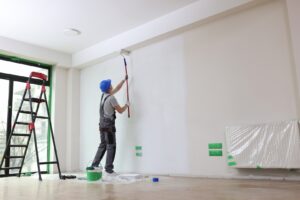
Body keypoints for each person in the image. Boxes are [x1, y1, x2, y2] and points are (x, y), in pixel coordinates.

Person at [91, 76, 129, 175]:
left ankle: (94, 165)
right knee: (111, 146)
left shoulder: (104, 95)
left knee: (103, 144)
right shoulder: (112, 98)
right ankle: (109, 169)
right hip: (109, 127)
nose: (112, 85)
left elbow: (116, 88)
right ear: (108, 88)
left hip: (102, 126)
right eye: (110, 84)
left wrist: (123, 81)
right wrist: (127, 105)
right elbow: (120, 111)